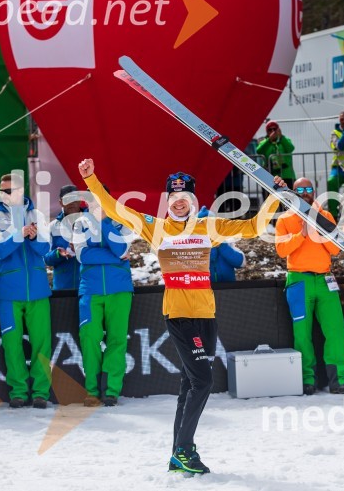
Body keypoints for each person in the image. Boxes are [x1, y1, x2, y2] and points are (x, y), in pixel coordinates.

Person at [78, 158, 281, 475]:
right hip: (179, 315)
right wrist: (92, 179)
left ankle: (177, 453)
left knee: (190, 384)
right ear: (168, 202)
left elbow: (254, 227)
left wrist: (271, 200)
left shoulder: (207, 227)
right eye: (174, 199)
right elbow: (116, 210)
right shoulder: (156, 228)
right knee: (204, 381)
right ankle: (185, 449)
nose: (180, 204)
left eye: (185, 199)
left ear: (193, 201)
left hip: (206, 315)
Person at [276, 177, 344, 395]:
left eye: (308, 189)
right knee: (302, 335)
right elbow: (282, 251)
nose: (304, 192)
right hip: (299, 280)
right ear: (294, 192)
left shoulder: (325, 216)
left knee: (336, 331)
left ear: (314, 191)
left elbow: (335, 250)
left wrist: (316, 228)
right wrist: (301, 234)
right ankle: (306, 380)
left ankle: (339, 380)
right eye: (300, 189)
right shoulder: (284, 219)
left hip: (325, 280)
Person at [0, 174, 53, 409]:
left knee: (41, 344)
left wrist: (33, 238)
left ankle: (41, 392)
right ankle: (18, 391)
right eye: (2, 191)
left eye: (10, 190)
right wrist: (19, 234)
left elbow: (46, 248)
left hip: (37, 290)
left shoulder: (38, 216)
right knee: (12, 344)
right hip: (7, 292)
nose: (6, 194)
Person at [73, 192, 134, 407]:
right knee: (89, 337)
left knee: (117, 340)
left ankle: (111, 390)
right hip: (91, 290)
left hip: (120, 289)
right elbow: (83, 256)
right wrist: (115, 257)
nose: (94, 205)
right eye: (91, 201)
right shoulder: (79, 224)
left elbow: (123, 248)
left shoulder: (123, 221)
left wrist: (105, 222)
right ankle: (92, 390)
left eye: (99, 201)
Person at [44, 184, 85, 291]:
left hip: (89, 286)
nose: (71, 202)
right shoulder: (53, 227)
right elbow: (46, 258)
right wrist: (58, 254)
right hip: (63, 287)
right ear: (60, 202)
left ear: (80, 200)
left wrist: (83, 249)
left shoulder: (92, 223)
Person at [198, 206, 245, 282]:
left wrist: (222, 246)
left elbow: (241, 263)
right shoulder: (194, 244)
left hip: (228, 288)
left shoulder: (226, 240)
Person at [256, 120, 296, 189]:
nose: (272, 131)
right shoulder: (264, 142)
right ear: (267, 132)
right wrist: (269, 140)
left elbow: (291, 148)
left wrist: (281, 137)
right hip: (271, 177)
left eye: (274, 129)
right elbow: (259, 151)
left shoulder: (285, 140)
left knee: (290, 197)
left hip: (287, 175)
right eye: (270, 130)